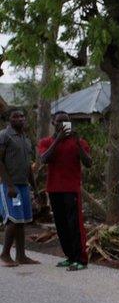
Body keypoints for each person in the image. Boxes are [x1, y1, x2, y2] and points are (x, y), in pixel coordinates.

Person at [38, 112, 92, 271]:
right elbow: (44, 159)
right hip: (54, 188)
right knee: (61, 225)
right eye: (59, 121)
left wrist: (77, 143)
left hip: (71, 189)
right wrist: (58, 140)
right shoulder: (46, 142)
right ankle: (70, 256)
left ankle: (81, 259)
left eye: (66, 122)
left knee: (74, 224)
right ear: (53, 122)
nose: (62, 124)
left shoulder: (79, 141)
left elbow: (88, 162)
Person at [0, 108, 40, 267]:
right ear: (8, 119)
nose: (20, 119)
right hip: (10, 186)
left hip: (23, 186)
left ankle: (21, 256)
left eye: (22, 116)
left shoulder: (26, 138)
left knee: (22, 221)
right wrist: (9, 184)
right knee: (14, 220)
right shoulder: (4, 136)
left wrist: (35, 188)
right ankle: (5, 254)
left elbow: (29, 166)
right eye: (15, 116)